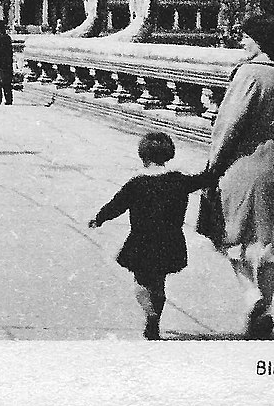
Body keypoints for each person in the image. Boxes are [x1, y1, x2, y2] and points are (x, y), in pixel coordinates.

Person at [204, 14, 274, 339]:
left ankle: (250, 294)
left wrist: (214, 166)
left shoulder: (249, 74)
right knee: (269, 242)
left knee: (229, 233)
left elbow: (229, 124)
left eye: (246, 37)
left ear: (260, 40)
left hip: (247, 160)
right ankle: (264, 312)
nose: (242, 42)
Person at [89, 132, 216, 340]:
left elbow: (116, 205)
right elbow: (205, 178)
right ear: (169, 154)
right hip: (170, 242)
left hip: (142, 242)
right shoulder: (179, 180)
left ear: (143, 156)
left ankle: (150, 314)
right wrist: (217, 159)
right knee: (159, 284)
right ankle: (154, 323)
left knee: (141, 284)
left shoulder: (136, 184)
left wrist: (99, 218)